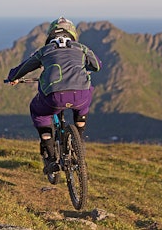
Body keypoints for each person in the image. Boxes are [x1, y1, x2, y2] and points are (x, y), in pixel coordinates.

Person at [6, 15, 102, 174]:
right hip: (81, 96)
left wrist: (12, 77)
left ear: (51, 34)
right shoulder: (81, 48)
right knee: (84, 101)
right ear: (73, 34)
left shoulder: (44, 51)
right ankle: (79, 135)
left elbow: (24, 68)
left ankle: (50, 157)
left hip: (54, 98)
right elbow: (97, 66)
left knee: (38, 111)